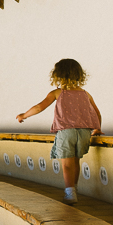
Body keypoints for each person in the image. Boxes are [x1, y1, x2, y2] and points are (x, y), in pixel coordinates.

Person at [16, 59, 102, 204]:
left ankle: (70, 193)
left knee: (66, 164)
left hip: (66, 131)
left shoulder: (57, 93)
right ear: (79, 75)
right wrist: (98, 128)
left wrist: (23, 115)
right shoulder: (85, 94)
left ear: (57, 75)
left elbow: (39, 107)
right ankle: (74, 189)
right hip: (84, 133)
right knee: (75, 161)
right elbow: (96, 112)